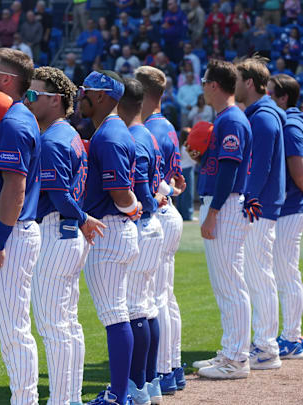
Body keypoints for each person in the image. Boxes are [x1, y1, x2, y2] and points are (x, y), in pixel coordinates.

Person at [26, 66, 105, 405]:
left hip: (58, 229)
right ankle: (69, 396)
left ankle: (63, 399)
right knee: (67, 325)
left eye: (33, 94)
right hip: (68, 233)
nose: (27, 100)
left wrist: (83, 216)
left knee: (54, 326)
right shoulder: (69, 134)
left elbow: (59, 193)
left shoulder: (52, 139)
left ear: (55, 100)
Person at [0, 47, 42, 404]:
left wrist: (0, 240)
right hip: (15, 229)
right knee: (12, 326)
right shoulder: (16, 116)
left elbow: (14, 188)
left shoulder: (15, 121)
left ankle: (26, 399)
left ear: (6, 79)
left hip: (13, 230)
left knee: (13, 328)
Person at [190, 58, 253, 379]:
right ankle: (231, 351)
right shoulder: (226, 119)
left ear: (214, 85)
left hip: (226, 206)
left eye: (204, 82)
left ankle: (237, 358)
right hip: (223, 204)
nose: (202, 87)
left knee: (231, 284)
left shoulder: (231, 120)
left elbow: (229, 169)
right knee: (227, 283)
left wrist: (211, 214)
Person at [79, 70, 140, 405]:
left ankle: (119, 394)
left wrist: (131, 207)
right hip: (113, 228)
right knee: (118, 313)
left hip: (110, 228)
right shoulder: (109, 130)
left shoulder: (110, 134)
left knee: (115, 315)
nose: (80, 96)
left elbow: (119, 190)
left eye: (85, 91)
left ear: (102, 96)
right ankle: (122, 391)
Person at [136, 65, 187, 393]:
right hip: (170, 211)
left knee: (154, 298)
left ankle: (163, 370)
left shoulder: (148, 128)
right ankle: (173, 367)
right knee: (164, 297)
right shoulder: (166, 124)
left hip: (159, 211)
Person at [234, 57, 286, 370]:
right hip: (263, 205)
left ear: (250, 83)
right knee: (258, 275)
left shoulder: (263, 116)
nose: (235, 85)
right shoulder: (259, 113)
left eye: (238, 79)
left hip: (260, 207)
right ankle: (264, 343)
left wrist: (250, 197)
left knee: (259, 277)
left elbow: (261, 164)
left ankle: (266, 346)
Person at [118, 77, 167, 405]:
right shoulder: (146, 133)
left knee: (138, 308)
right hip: (152, 225)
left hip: (142, 223)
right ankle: (149, 382)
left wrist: (145, 205)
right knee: (146, 307)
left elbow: (142, 192)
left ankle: (138, 386)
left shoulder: (134, 136)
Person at [267, 74, 303, 359]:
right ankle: (290, 333)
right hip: (290, 208)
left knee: (286, 274)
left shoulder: (290, 124)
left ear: (283, 98)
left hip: (290, 209)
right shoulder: (293, 121)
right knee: (286, 273)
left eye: (270, 94)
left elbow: (299, 176)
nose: (266, 98)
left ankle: (292, 337)